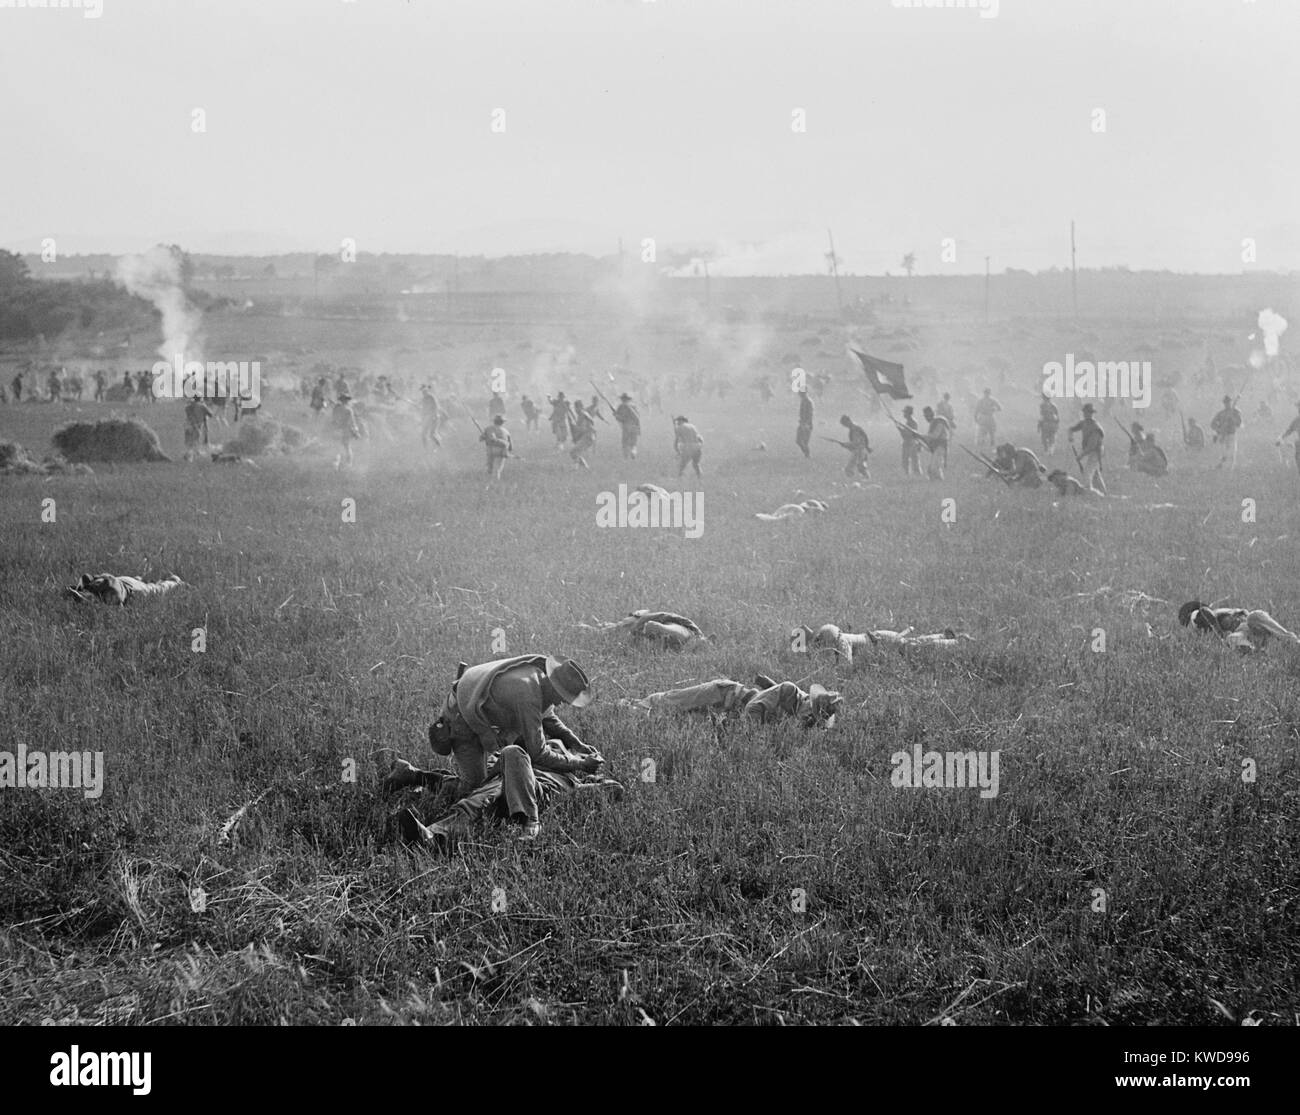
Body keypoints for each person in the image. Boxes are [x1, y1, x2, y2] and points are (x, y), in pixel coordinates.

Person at [421, 655, 603, 840]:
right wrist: (580, 764)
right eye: (561, 696)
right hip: (461, 719)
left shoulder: (539, 681)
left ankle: (413, 778)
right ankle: (422, 790)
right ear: (553, 683)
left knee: (489, 787)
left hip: (491, 727)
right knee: (475, 787)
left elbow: (549, 718)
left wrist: (576, 744)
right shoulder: (527, 693)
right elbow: (538, 753)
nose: (559, 703)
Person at [623, 675, 842, 729]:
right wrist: (754, 734)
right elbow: (753, 707)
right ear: (807, 701)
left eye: (813, 718)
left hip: (725, 713)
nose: (809, 718)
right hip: (722, 693)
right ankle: (623, 706)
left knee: (676, 719)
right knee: (669, 702)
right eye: (811, 713)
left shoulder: (803, 718)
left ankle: (630, 710)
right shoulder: (788, 690)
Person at [1177, 601, 1300, 654]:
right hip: (1243, 636)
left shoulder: (1216, 612)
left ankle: (1291, 640)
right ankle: (1257, 653)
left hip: (1252, 626)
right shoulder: (1202, 631)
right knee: (1232, 638)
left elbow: (1207, 614)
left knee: (1254, 616)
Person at [1067, 402, 1106, 494]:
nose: (1086, 414)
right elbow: (1071, 429)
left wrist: (1081, 455)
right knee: (1095, 473)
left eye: (1088, 412)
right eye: (1085, 412)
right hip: (1089, 450)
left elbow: (1092, 446)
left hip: (1096, 452)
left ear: (1092, 413)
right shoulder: (1084, 423)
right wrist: (1070, 435)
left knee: (1087, 473)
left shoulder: (1096, 427)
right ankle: (1103, 493)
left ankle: (1088, 492)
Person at [1210, 394, 1242, 470]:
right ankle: (1221, 465)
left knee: (1231, 452)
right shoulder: (1221, 413)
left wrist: (1232, 418)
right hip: (1223, 435)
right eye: (1225, 402)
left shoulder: (1236, 412)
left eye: (1228, 402)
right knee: (1223, 452)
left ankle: (1230, 468)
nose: (1227, 404)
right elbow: (1212, 424)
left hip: (1231, 434)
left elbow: (1239, 423)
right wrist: (1219, 429)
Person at [332, 391, 362, 470]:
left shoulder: (336, 409)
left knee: (337, 448)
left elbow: (333, 420)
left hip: (337, 430)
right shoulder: (349, 410)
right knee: (347, 447)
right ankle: (348, 465)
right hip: (345, 431)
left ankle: (335, 464)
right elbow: (352, 423)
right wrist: (356, 432)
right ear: (347, 401)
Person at [921, 405, 950, 480]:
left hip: (941, 447)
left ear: (930, 415)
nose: (926, 418)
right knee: (931, 468)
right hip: (936, 447)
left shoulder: (938, 422)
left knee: (934, 468)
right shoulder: (933, 423)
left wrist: (923, 436)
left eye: (927, 416)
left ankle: (938, 482)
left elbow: (935, 436)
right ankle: (934, 483)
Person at [480, 413, 512, 479]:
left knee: (489, 468)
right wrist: (508, 452)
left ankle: (488, 480)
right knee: (497, 469)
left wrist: (485, 436)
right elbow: (510, 445)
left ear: (494, 421)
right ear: (502, 422)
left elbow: (480, 439)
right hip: (501, 449)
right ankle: (495, 482)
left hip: (490, 449)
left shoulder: (488, 428)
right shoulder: (506, 431)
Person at [839, 414, 871, 478]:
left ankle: (865, 478)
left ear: (848, 421)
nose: (845, 426)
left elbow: (856, 442)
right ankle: (866, 478)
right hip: (860, 450)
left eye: (844, 424)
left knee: (851, 469)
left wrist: (845, 444)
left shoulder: (854, 429)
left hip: (859, 451)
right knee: (860, 467)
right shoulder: (855, 427)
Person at [613, 392, 641, 459]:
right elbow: (637, 417)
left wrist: (615, 415)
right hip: (635, 426)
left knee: (625, 443)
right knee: (633, 444)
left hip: (626, 426)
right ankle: (633, 453)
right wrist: (639, 429)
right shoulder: (633, 406)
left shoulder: (621, 406)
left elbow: (620, 418)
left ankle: (626, 457)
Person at [569, 401, 596, 469]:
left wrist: (575, 427)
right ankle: (586, 468)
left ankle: (575, 468)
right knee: (574, 452)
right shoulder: (582, 415)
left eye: (577, 408)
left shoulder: (582, 414)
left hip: (588, 436)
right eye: (575, 408)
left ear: (580, 407)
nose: (576, 410)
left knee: (574, 452)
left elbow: (582, 427)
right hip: (587, 436)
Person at [1276, 402, 1300, 473]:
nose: (1298, 409)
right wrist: (1280, 438)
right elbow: (1289, 430)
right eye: (1298, 407)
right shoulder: (1297, 420)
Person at [900, 405, 922, 475]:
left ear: (908, 413)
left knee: (913, 461)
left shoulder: (912, 422)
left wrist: (900, 430)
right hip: (909, 442)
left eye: (905, 412)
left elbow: (909, 434)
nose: (904, 414)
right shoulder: (909, 422)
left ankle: (917, 475)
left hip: (911, 443)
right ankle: (907, 474)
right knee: (906, 461)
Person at [795, 386, 813, 458]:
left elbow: (810, 414)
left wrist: (806, 423)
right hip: (802, 423)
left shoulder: (808, 401)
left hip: (807, 424)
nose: (799, 394)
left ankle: (807, 455)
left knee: (805, 442)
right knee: (798, 441)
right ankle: (807, 454)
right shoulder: (803, 401)